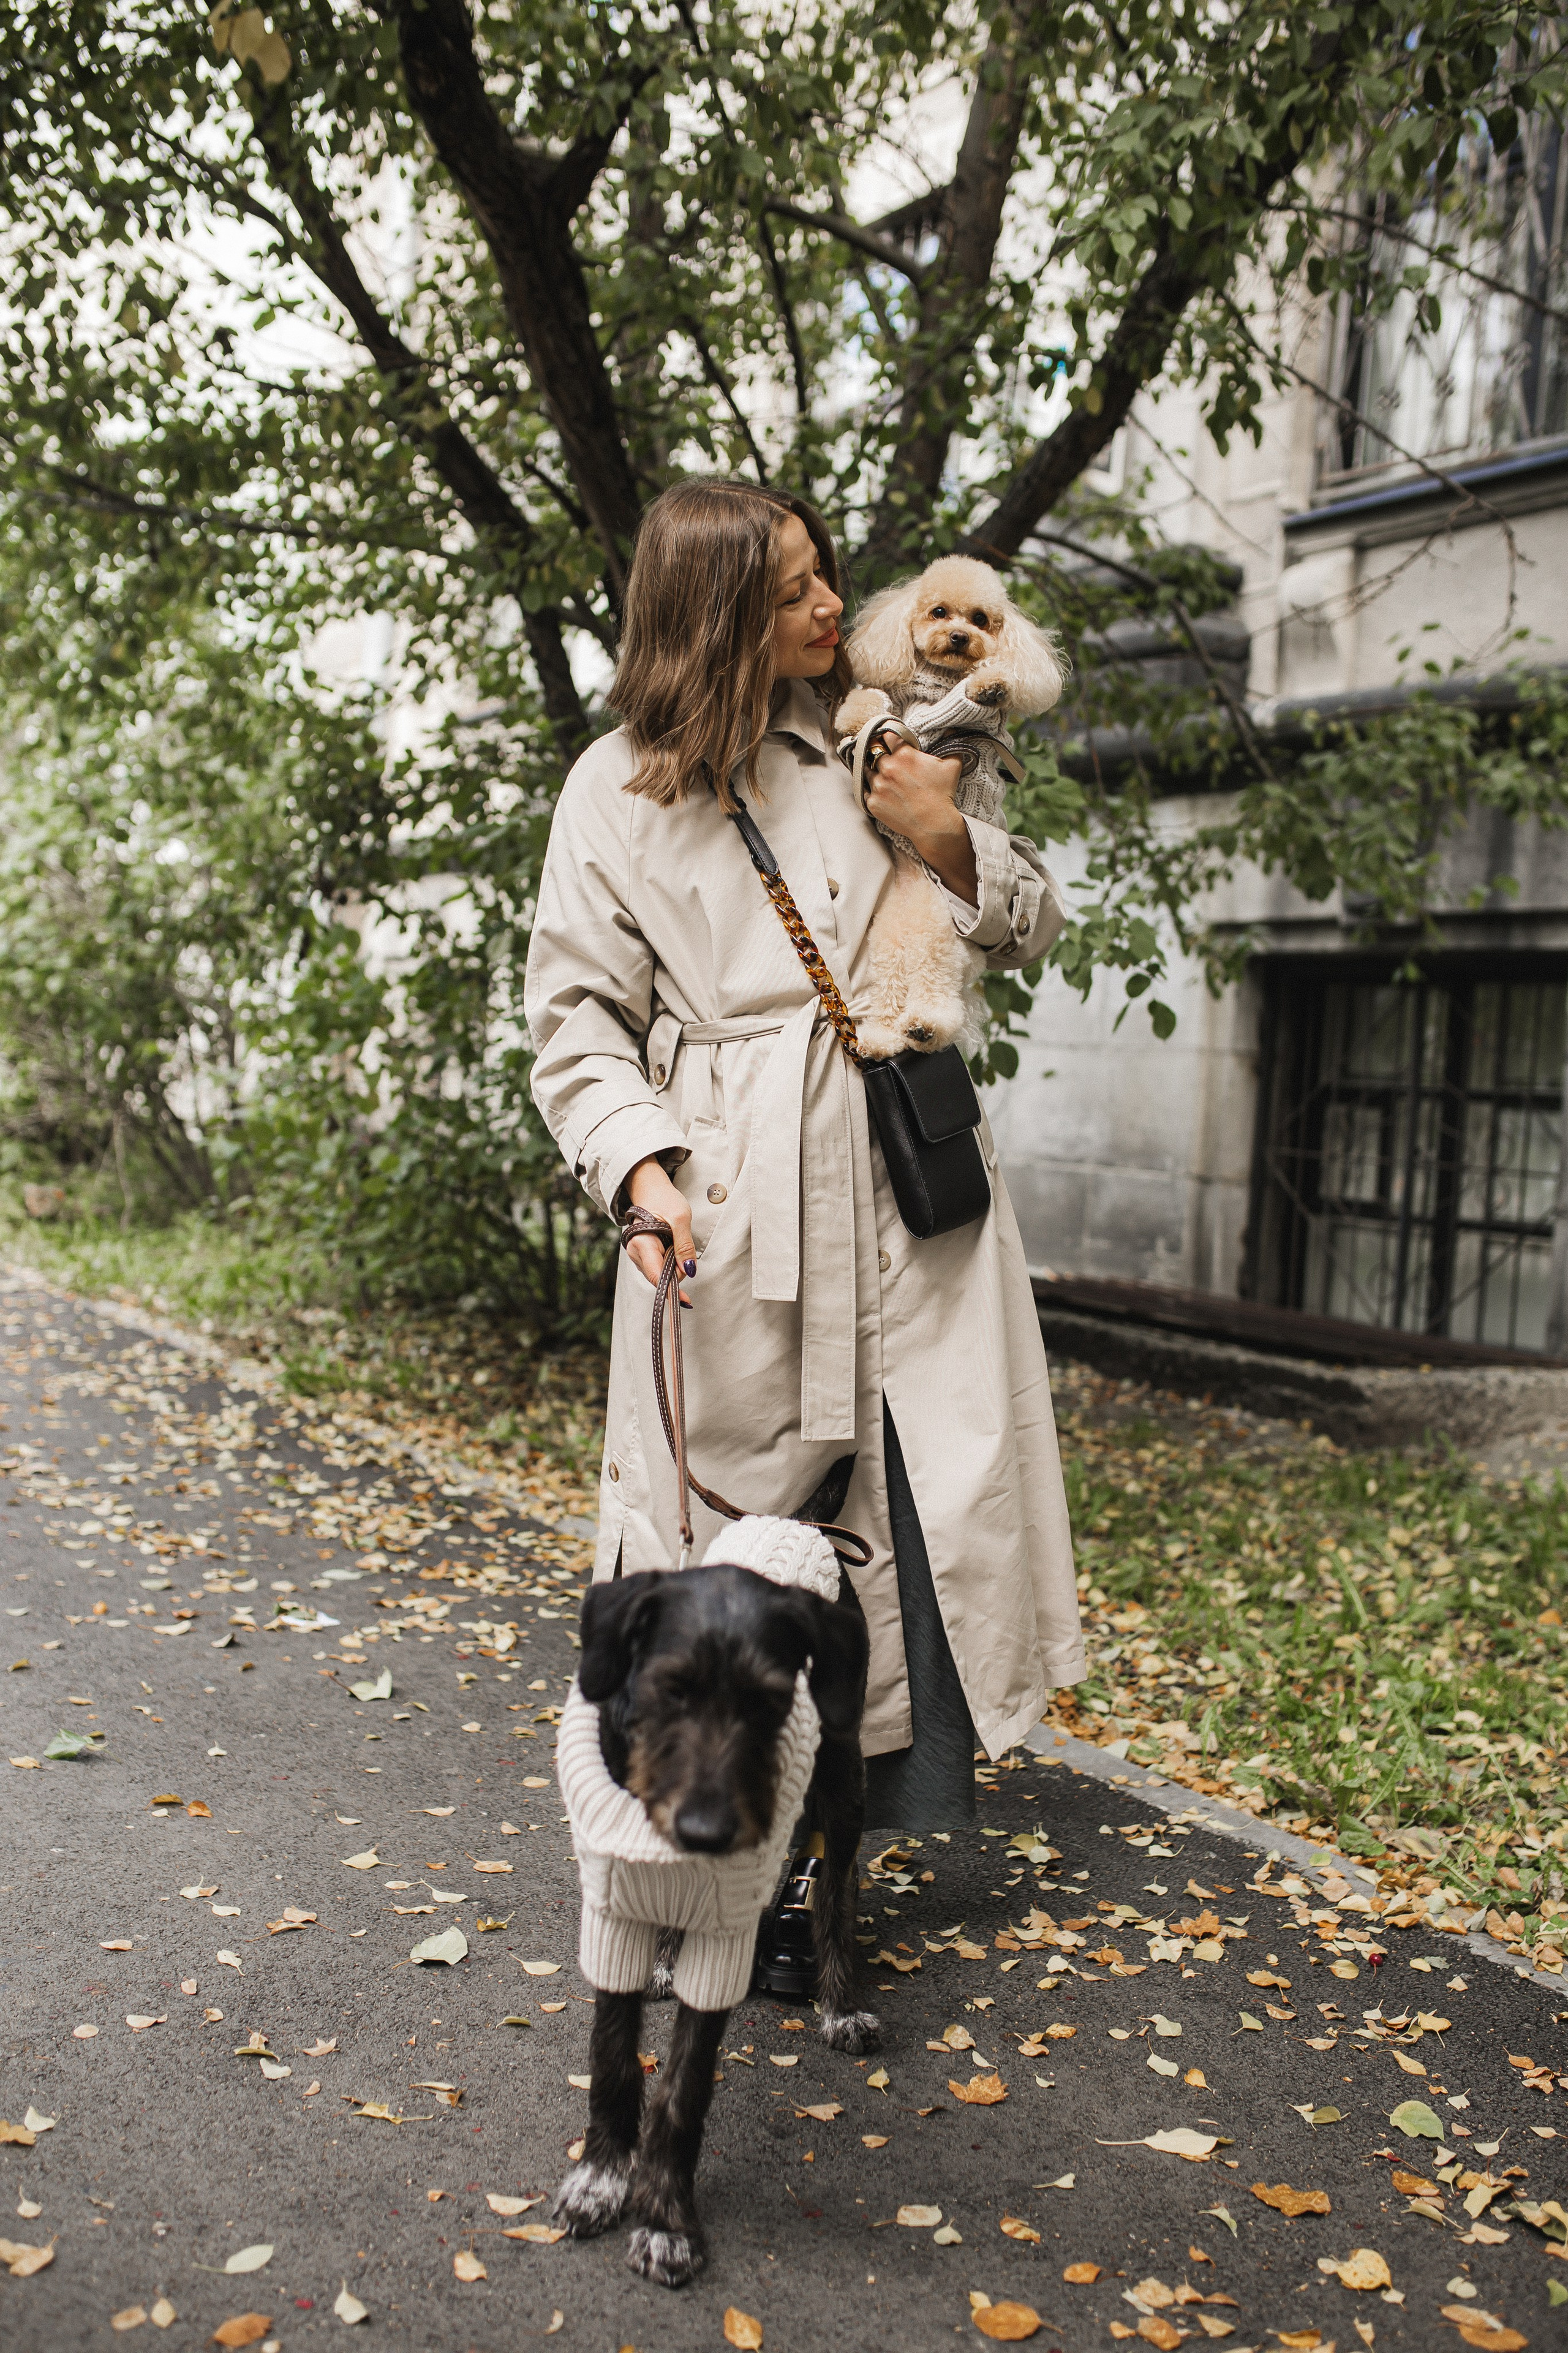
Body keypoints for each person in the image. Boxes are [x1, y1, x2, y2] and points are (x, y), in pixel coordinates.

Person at [524, 478, 1084, 1850]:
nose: (833, 603)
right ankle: (721, 1839)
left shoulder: (879, 737)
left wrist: (942, 830)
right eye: (790, 590)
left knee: (913, 1505)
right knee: (731, 1523)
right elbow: (574, 1018)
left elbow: (1025, 921)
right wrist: (641, 1174)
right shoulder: (612, 788)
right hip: (725, 1199)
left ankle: (855, 1843)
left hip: (900, 1188)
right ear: (712, 613)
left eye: (824, 573)